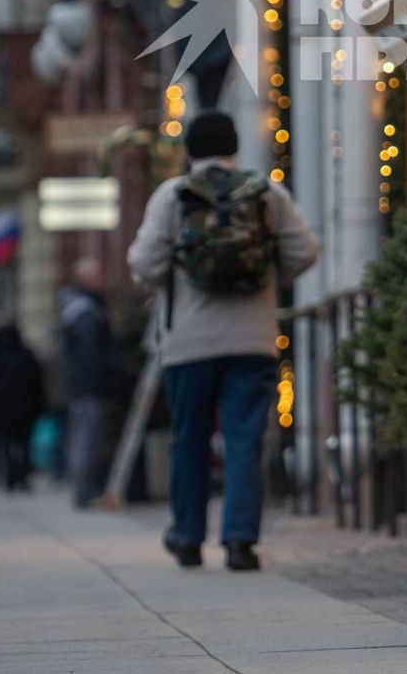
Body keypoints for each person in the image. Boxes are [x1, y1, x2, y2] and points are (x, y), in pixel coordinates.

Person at [128, 109, 319, 571]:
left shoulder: (172, 196)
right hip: (253, 337)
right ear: (233, 147)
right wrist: (267, 279)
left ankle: (189, 537)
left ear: (190, 149)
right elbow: (306, 251)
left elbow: (144, 266)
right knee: (244, 438)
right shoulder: (266, 193)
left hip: (187, 343)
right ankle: (239, 541)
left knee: (189, 438)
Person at [58, 258, 115, 508]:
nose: (102, 281)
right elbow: (91, 352)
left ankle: (84, 489)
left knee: (83, 436)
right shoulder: (85, 311)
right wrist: (104, 377)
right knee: (86, 438)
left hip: (81, 384)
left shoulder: (77, 307)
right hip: (87, 385)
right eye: (97, 276)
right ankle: (83, 491)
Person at [0, 323, 45, 493]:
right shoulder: (25, 355)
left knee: (6, 444)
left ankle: (11, 476)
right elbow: (36, 383)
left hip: (3, 410)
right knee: (23, 445)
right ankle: (21, 475)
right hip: (24, 409)